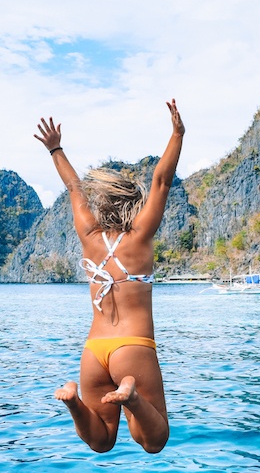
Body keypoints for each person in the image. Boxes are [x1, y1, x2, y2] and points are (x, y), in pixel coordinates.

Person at [34, 100, 185, 454]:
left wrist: (55, 148)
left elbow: (74, 188)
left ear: (103, 205)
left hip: (93, 351)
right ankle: (131, 399)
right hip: (132, 347)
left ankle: (73, 402)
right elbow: (161, 181)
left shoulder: (89, 237)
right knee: (154, 440)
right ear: (133, 205)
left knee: (101, 441)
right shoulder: (140, 238)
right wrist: (177, 134)